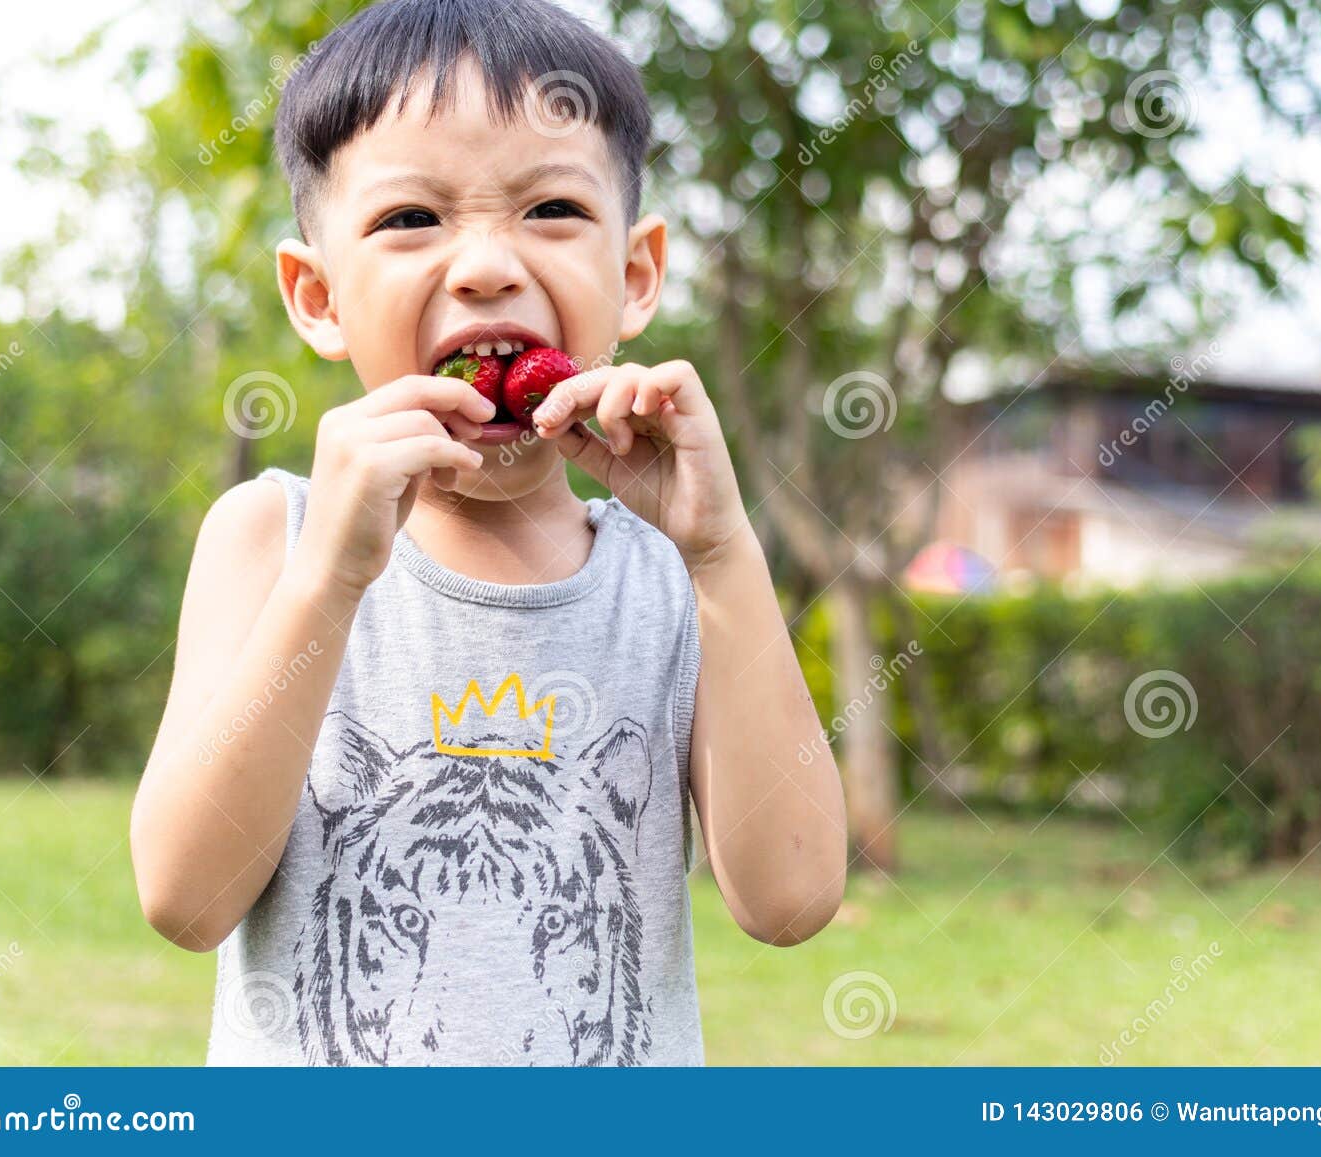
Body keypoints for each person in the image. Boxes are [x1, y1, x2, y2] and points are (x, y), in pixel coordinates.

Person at [129, 0, 846, 1066]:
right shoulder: (270, 539)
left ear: (636, 274)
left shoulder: (672, 576)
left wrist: (724, 554)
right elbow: (186, 899)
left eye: (550, 206)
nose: (483, 266)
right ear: (317, 295)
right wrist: (327, 580)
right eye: (411, 219)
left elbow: (789, 897)